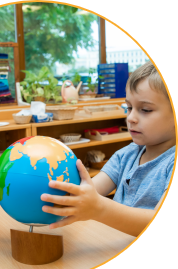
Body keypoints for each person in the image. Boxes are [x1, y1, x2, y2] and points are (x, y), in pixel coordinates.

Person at [41, 61, 176, 237]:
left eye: (145, 109)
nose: (131, 118)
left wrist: (99, 208)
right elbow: (89, 191)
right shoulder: (126, 155)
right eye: (129, 108)